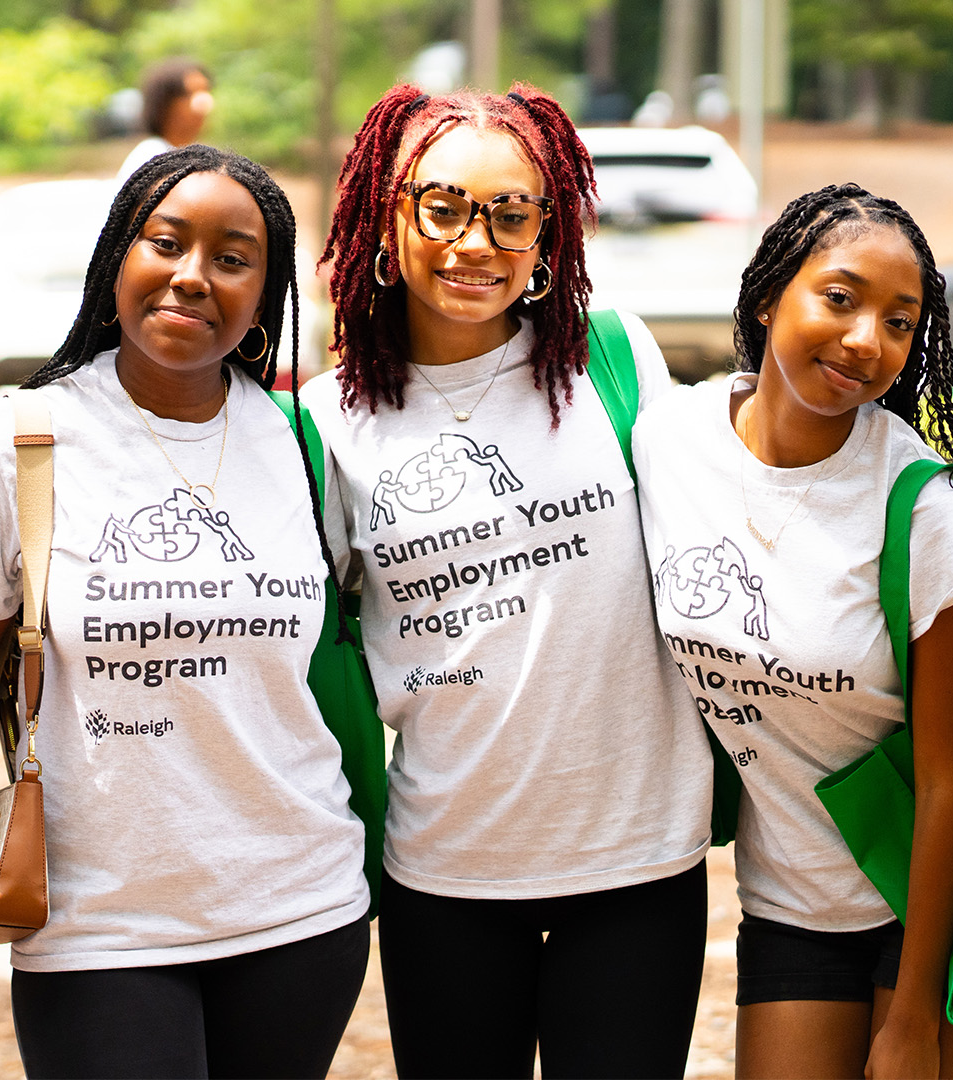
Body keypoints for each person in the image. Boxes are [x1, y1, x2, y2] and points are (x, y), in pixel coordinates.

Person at [303, 83, 711, 1078]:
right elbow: (311, 641)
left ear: (548, 232)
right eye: (440, 207)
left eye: (510, 212)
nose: (472, 242)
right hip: (445, 863)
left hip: (639, 855)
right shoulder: (328, 423)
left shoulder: (613, 358)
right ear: (385, 220)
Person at [0, 145, 370, 1078]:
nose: (192, 276)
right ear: (116, 261)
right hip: (98, 921)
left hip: (299, 905)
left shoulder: (301, 440)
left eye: (233, 256)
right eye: (164, 242)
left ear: (267, 291)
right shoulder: (23, 435)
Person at [629, 183, 953, 1080]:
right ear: (769, 295)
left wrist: (917, 1013)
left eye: (898, 321)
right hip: (792, 897)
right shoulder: (669, 441)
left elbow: (951, 777)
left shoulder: (923, 512)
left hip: (942, 909)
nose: (866, 341)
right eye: (840, 299)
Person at [116, 58, 215, 182]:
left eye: (206, 91)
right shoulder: (153, 156)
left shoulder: (193, 155)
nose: (203, 104)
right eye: (188, 94)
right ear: (164, 104)